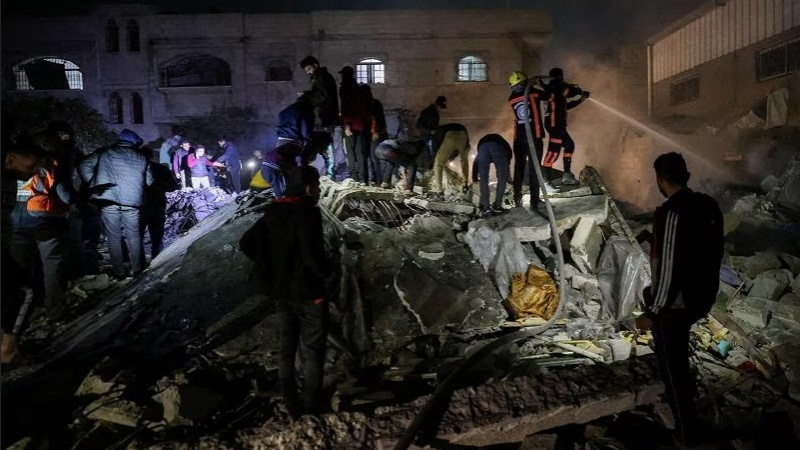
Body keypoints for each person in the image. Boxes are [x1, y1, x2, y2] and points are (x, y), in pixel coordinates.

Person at [638, 152, 724, 447]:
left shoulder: (670, 213)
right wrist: (655, 239)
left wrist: (653, 313)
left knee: (673, 367)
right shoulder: (708, 205)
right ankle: (686, 409)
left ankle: (686, 432)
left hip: (676, 304)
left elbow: (669, 271)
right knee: (679, 360)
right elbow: (702, 249)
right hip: (703, 295)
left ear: (661, 179)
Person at [239, 165, 333, 418]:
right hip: (308, 292)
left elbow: (246, 242)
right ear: (307, 188)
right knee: (313, 350)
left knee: (287, 345)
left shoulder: (275, 209)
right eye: (317, 185)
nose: (319, 190)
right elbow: (312, 255)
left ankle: (291, 401)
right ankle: (312, 405)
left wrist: (270, 264)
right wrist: (328, 273)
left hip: (281, 291)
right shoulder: (308, 213)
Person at [79, 129, 154, 280]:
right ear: (134, 143)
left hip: (108, 198)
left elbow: (84, 165)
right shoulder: (141, 157)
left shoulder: (106, 152)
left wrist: (94, 184)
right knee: (133, 235)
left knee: (113, 236)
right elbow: (149, 181)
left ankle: (119, 272)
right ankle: (137, 269)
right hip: (132, 200)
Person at [2, 135, 46, 363]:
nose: (36, 170)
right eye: (33, 164)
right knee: (24, 290)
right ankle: (7, 350)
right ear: (11, 158)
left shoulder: (14, 181)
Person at [508, 70, 553, 210]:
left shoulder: (511, 98)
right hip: (534, 136)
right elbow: (550, 96)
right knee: (535, 169)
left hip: (518, 138)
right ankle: (535, 201)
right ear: (525, 83)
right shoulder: (533, 93)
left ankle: (517, 198)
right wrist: (541, 84)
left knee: (519, 168)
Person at [542, 67, 590, 187]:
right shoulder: (555, 87)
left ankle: (566, 175)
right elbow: (569, 92)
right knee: (553, 152)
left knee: (569, 145)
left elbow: (565, 106)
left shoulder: (556, 90)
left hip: (558, 125)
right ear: (559, 76)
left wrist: (581, 99)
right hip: (554, 125)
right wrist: (578, 91)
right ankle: (546, 180)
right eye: (561, 76)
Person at [300, 55, 340, 180]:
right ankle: (328, 175)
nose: (308, 72)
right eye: (306, 70)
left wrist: (306, 95)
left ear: (315, 65)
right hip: (322, 120)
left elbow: (322, 98)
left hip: (325, 120)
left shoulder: (323, 78)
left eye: (309, 69)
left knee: (326, 148)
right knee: (323, 148)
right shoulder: (319, 78)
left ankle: (330, 176)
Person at [262, 132, 332, 198]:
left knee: (289, 191)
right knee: (284, 195)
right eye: (326, 145)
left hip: (274, 167)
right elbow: (299, 166)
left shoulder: (309, 147)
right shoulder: (303, 147)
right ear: (321, 143)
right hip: (273, 168)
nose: (326, 148)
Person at [141, 147, 176, 260]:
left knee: (137, 237)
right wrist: (160, 187)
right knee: (157, 236)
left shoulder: (132, 170)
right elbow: (173, 186)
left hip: (141, 206)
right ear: (151, 156)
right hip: (157, 204)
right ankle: (157, 261)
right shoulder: (161, 168)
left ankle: (140, 263)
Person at [338, 66, 372, 183]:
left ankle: (354, 178)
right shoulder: (358, 89)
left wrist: (346, 125)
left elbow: (346, 107)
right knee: (359, 152)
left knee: (350, 153)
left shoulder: (346, 88)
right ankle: (362, 179)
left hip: (350, 125)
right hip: (359, 125)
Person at [471, 134, 511, 218]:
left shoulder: (482, 148)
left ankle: (486, 209)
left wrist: (474, 178)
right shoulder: (506, 150)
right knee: (501, 178)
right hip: (498, 146)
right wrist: (507, 177)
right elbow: (506, 166)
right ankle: (497, 206)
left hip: (482, 147)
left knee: (483, 179)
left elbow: (476, 163)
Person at [428, 123, 470, 198]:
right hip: (463, 135)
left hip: (450, 136)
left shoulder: (436, 134)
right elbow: (463, 146)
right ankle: (465, 185)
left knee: (438, 164)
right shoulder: (444, 128)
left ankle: (439, 191)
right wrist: (466, 147)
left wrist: (433, 160)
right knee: (464, 161)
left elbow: (435, 149)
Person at [364, 85, 388, 185]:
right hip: (375, 133)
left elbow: (374, 119)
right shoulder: (374, 103)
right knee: (374, 158)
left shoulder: (372, 104)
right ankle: (377, 179)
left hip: (376, 134)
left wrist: (374, 132)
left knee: (375, 159)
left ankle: (379, 180)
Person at [416, 95, 447, 166]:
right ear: (437, 104)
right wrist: (430, 131)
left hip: (433, 138)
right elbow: (418, 125)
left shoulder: (436, 114)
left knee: (433, 155)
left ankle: (431, 167)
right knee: (427, 156)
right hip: (426, 138)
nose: (440, 109)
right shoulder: (426, 112)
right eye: (440, 107)